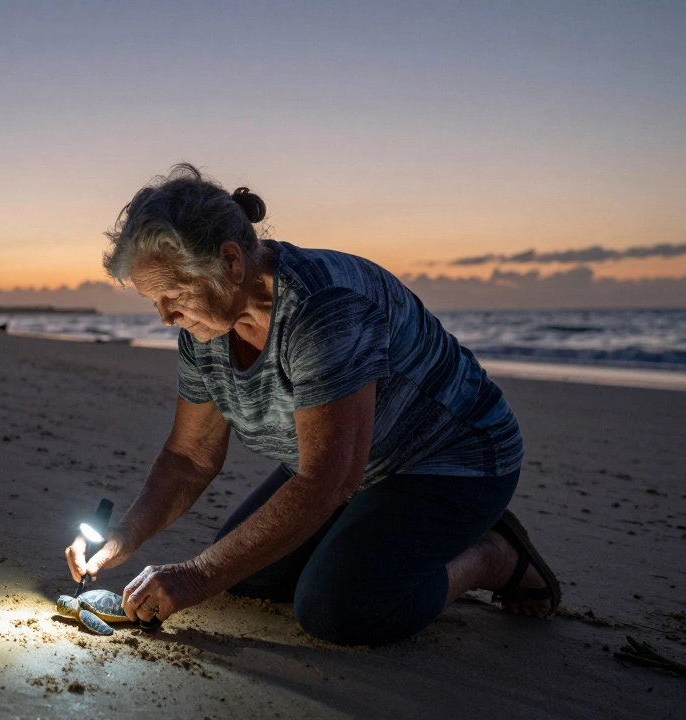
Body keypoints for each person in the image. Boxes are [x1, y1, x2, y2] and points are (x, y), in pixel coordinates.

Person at [65, 164, 559, 646]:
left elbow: (329, 480)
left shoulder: (326, 309)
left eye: (173, 294)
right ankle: (373, 535)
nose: (165, 316)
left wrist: (195, 575)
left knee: (338, 611)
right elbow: (190, 457)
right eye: (154, 300)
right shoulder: (207, 327)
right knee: (248, 578)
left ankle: (492, 555)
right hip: (350, 466)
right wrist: (124, 536)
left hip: (450, 460)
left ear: (231, 262)